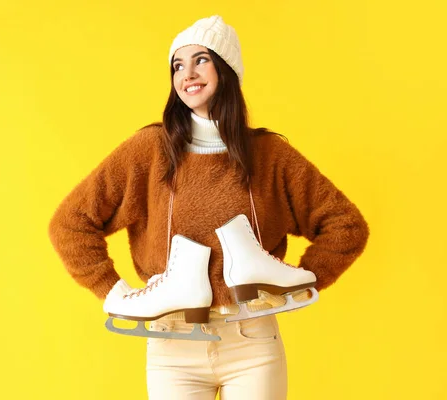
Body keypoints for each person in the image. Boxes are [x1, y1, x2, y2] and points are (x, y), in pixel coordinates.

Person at [49, 15, 369, 400]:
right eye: (177, 66)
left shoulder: (269, 154)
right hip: (172, 343)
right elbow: (70, 223)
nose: (188, 74)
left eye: (201, 59)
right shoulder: (149, 150)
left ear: (227, 68)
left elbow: (346, 226)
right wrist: (112, 290)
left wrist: (298, 283)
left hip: (252, 340)